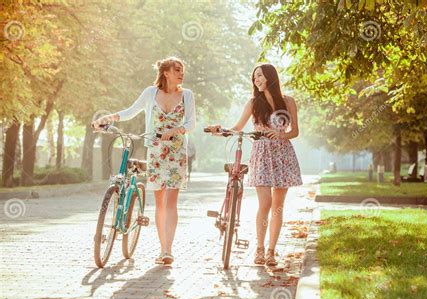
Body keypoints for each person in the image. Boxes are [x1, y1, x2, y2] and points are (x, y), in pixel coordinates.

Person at [91, 57, 196, 265]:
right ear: (165, 72)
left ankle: (168, 250)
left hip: (176, 152)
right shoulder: (151, 93)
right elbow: (130, 111)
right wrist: (108, 118)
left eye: (182, 70)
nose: (181, 73)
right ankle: (162, 247)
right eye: (177, 69)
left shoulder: (187, 95)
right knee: (159, 202)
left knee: (171, 202)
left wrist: (176, 130)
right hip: (156, 152)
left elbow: (191, 123)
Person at [206, 63, 302, 266]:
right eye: (254, 77)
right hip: (261, 154)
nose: (256, 79)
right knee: (265, 203)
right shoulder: (253, 103)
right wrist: (219, 131)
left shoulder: (288, 101)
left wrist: (280, 134)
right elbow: (237, 128)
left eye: (259, 75)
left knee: (278, 205)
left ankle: (271, 251)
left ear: (270, 77)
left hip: (283, 155)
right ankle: (259, 248)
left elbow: (295, 131)